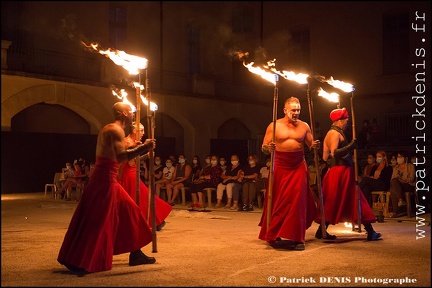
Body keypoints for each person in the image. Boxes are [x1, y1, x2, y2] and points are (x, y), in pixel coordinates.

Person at [57, 102, 157, 273]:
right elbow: (121, 156)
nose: (133, 114)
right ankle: (81, 261)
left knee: (130, 211)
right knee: (98, 221)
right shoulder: (114, 130)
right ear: (124, 113)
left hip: (109, 179)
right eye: (131, 111)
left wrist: (136, 146)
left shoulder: (116, 131)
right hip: (105, 181)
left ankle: (136, 253)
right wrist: (144, 148)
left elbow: (120, 151)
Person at [259, 96, 319, 251]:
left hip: (298, 164)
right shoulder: (274, 125)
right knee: (278, 199)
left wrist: (314, 145)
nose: (296, 113)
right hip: (280, 164)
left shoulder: (304, 126)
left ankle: (298, 237)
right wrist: (269, 148)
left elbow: (310, 144)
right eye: (293, 110)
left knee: (298, 200)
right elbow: (263, 147)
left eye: (298, 110)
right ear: (285, 110)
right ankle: (275, 233)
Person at [315, 107, 381, 241]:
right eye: (346, 121)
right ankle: (370, 231)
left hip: (336, 172)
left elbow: (325, 156)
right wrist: (351, 146)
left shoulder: (330, 133)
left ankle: (321, 230)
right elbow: (333, 153)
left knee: (335, 201)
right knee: (356, 198)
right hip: (341, 172)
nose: (347, 123)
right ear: (340, 121)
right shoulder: (334, 134)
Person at [118, 121, 172, 231]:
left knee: (142, 198)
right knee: (144, 198)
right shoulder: (128, 142)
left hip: (130, 173)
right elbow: (131, 162)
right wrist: (146, 155)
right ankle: (155, 220)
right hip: (129, 175)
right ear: (134, 130)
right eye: (141, 130)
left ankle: (155, 220)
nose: (143, 133)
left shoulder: (130, 141)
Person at [388, 151, 415, 218]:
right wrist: (398, 180)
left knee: (393, 188)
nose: (399, 158)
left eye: (401, 157)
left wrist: (404, 180)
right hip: (398, 185)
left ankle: (395, 211)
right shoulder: (395, 168)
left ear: (405, 158)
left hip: (408, 185)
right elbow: (392, 179)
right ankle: (401, 201)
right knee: (393, 185)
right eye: (398, 157)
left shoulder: (410, 166)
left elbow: (412, 178)